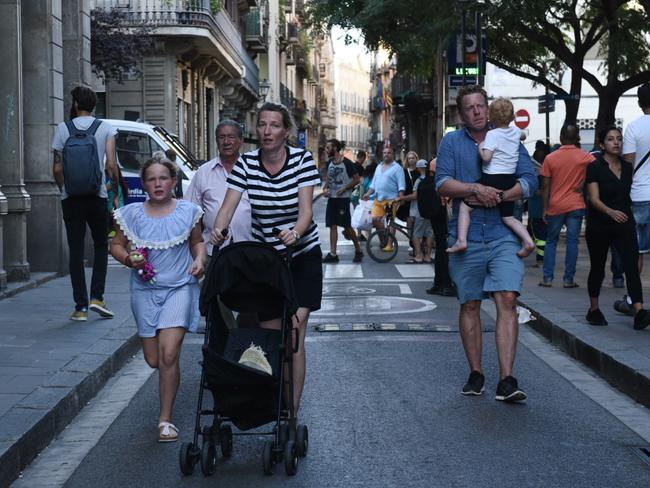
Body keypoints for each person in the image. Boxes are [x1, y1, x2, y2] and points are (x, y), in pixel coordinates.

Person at [210, 102, 322, 414]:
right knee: (273, 335)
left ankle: (292, 410)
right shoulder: (246, 163)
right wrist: (218, 231)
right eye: (262, 124)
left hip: (301, 255)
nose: (267, 131)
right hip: (268, 261)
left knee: (295, 329)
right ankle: (273, 399)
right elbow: (228, 206)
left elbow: (306, 211)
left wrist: (295, 233)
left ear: (286, 131)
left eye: (274, 125)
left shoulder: (302, 160)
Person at [436, 85, 538, 402]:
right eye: (470, 108)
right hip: (466, 233)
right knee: (470, 303)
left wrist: (501, 196)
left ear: (489, 108)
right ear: (461, 113)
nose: (477, 112)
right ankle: (476, 373)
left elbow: (530, 178)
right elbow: (442, 182)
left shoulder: (507, 135)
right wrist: (475, 189)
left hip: (503, 232)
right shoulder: (452, 142)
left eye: (481, 106)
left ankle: (507, 379)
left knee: (507, 297)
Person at [110, 157, 206, 441]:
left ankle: (165, 420)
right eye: (151, 179)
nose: (158, 184)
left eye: (163, 178)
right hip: (144, 292)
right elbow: (115, 245)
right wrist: (129, 258)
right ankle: (167, 383)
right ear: (145, 184)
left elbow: (197, 242)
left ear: (173, 182)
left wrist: (200, 259)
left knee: (168, 353)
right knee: (154, 360)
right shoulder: (131, 214)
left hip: (180, 288)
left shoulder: (188, 212)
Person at [52, 86, 120, 322]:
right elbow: (111, 165)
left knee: (76, 249)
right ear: (93, 105)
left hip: (71, 198)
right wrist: (114, 190)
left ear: (74, 104)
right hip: (96, 196)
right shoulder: (105, 128)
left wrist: (65, 188)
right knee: (101, 245)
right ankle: (97, 297)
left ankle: (80, 307)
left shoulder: (63, 129)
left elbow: (57, 167)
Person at [447, 98, 535, 257]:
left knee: (465, 208)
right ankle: (528, 241)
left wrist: (481, 148)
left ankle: (461, 240)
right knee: (508, 217)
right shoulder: (515, 132)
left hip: (491, 177)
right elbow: (523, 136)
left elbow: (487, 158)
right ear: (512, 117)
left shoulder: (492, 134)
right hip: (509, 180)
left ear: (491, 116)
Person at [584, 126, 650, 330]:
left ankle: (639, 311)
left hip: (624, 223)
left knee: (631, 265)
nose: (617, 142)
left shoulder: (628, 167)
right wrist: (610, 212)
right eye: (611, 139)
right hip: (600, 223)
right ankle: (593, 309)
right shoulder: (595, 166)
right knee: (598, 267)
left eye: (619, 139)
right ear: (602, 144)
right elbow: (593, 199)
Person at [185, 120, 253, 256]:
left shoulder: (252, 170)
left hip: (250, 249)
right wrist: (197, 247)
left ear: (241, 140)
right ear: (216, 141)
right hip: (213, 251)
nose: (226, 142)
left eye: (231, 137)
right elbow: (190, 212)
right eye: (221, 137)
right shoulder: (204, 172)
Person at [539, 124, 594, 287]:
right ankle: (568, 279)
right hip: (576, 204)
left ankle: (547, 279)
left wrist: (545, 208)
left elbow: (546, 186)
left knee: (551, 241)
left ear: (561, 137)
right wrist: (583, 182)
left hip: (556, 205)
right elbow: (597, 172)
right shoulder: (585, 157)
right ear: (577, 137)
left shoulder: (550, 158)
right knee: (572, 242)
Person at [322, 138, 363, 263]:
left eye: (328, 148)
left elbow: (357, 180)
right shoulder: (329, 163)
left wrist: (344, 188)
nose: (326, 150)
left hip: (343, 199)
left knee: (347, 227)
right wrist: (325, 190)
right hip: (332, 199)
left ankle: (358, 250)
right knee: (332, 226)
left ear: (334, 148)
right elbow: (327, 183)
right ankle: (333, 254)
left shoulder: (347, 163)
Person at [362, 146, 406, 252]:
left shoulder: (397, 168)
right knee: (375, 219)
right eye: (385, 153)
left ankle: (390, 245)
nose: (386, 154)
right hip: (378, 199)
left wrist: (401, 197)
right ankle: (384, 240)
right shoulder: (379, 167)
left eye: (389, 153)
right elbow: (373, 184)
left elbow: (401, 185)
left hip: (392, 200)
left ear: (393, 154)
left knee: (391, 222)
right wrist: (367, 194)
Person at [425, 158, 455, 296]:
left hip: (436, 211)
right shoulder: (442, 163)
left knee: (441, 249)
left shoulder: (435, 162)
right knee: (445, 248)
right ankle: (445, 283)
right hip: (442, 212)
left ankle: (440, 283)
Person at [399, 159, 433, 263]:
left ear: (418, 168)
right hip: (431, 210)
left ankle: (418, 256)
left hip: (419, 210)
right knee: (429, 233)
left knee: (415, 234)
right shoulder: (432, 179)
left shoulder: (419, 181)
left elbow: (415, 196)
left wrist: (402, 198)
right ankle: (427, 256)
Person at [527, 140, 550, 268]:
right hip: (536, 207)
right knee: (536, 233)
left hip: (538, 208)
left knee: (540, 235)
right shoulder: (535, 165)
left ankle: (540, 260)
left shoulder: (536, 165)